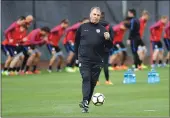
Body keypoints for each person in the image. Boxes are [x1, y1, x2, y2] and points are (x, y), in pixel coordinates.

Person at [75, 7, 112, 113]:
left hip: (97, 61)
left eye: (98, 15)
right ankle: (85, 102)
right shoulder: (82, 27)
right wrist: (76, 58)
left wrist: (108, 39)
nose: (96, 16)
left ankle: (85, 103)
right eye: (94, 14)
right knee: (86, 78)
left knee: (92, 83)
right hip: (84, 59)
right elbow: (77, 43)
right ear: (90, 14)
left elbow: (109, 46)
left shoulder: (103, 30)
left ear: (100, 17)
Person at [96, 11, 113, 85]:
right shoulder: (109, 25)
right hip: (106, 48)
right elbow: (112, 37)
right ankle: (107, 80)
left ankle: (96, 81)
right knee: (105, 64)